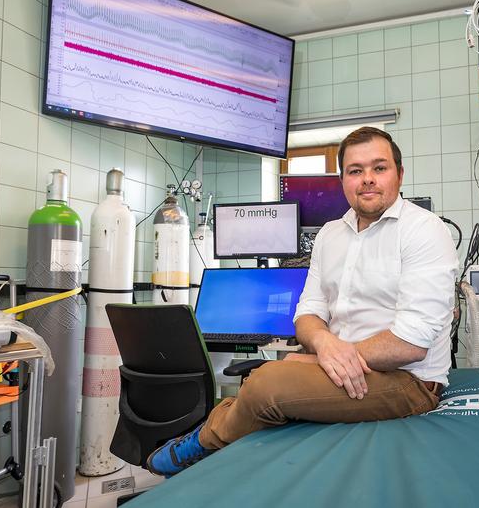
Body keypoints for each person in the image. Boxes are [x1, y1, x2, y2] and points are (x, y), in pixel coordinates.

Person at [147, 126, 459, 477]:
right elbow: (307, 313)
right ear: (343, 180)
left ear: (399, 175)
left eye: (379, 168)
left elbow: (412, 342)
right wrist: (325, 345)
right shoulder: (330, 234)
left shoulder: (425, 231)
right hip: (344, 365)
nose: (367, 179)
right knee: (263, 377)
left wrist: (336, 355)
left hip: (409, 380)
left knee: (267, 385)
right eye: (356, 171)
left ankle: (205, 442)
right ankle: (215, 435)